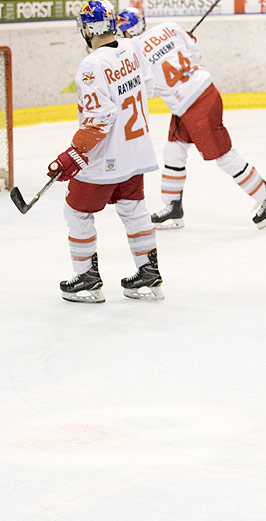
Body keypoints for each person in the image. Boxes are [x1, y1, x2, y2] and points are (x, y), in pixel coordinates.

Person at [117, 8, 266, 230]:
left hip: (196, 105)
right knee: (174, 149)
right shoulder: (169, 28)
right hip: (199, 93)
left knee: (224, 155)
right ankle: (173, 208)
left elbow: (146, 90)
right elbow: (196, 54)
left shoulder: (134, 53)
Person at [50, 0, 163, 304]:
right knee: (134, 209)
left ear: (86, 30)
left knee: (76, 212)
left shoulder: (91, 65)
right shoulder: (133, 48)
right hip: (136, 152)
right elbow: (148, 89)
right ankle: (148, 275)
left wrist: (74, 153)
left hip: (104, 158)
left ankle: (87, 279)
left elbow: (100, 117)